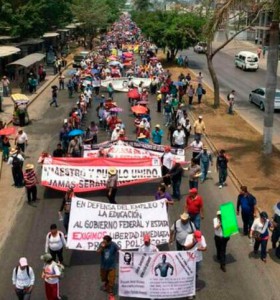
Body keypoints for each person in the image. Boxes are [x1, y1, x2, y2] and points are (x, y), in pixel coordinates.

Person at [97, 235, 119, 299]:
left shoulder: (113, 244)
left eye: (106, 241)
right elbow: (98, 252)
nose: (104, 242)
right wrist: (102, 247)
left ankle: (111, 292)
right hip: (103, 266)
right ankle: (106, 284)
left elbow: (119, 250)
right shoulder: (102, 244)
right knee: (104, 277)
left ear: (109, 242)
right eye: (103, 241)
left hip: (112, 266)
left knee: (112, 279)